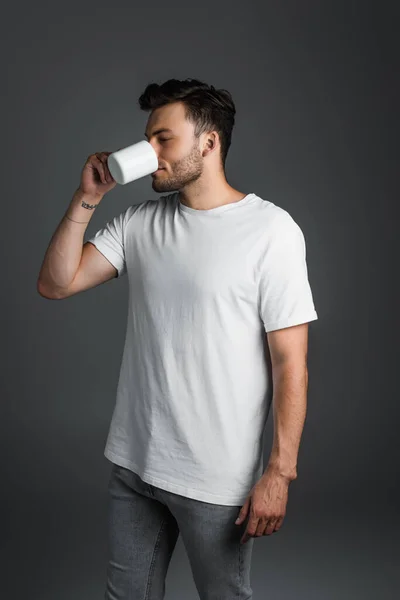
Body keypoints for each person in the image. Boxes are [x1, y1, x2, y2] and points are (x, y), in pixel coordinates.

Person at [37, 78, 318, 600]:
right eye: (147, 140)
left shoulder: (272, 231)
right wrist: (87, 196)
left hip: (216, 479)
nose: (149, 154)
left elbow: (290, 364)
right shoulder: (140, 222)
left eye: (163, 139)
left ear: (208, 144)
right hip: (134, 464)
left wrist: (279, 471)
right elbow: (56, 284)